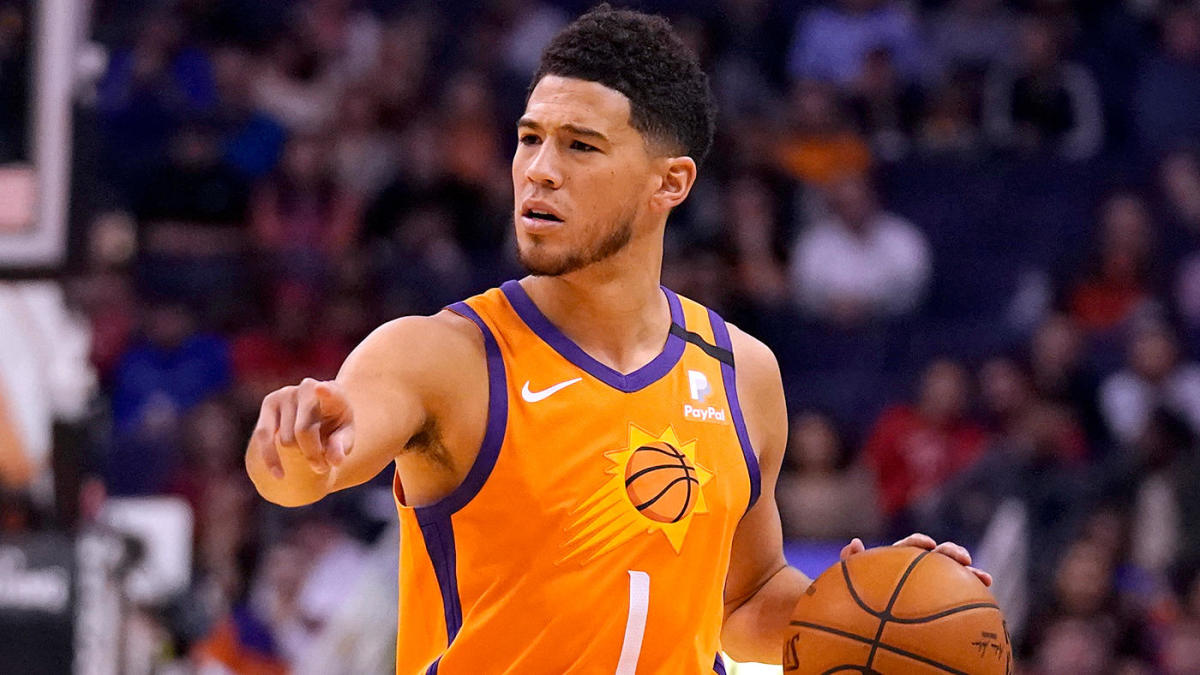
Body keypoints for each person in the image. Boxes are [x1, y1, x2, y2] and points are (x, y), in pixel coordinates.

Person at [244, 6, 989, 672]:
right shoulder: (443, 354)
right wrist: (298, 445)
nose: (539, 171)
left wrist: (870, 611)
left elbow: (743, 598)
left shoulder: (742, 370)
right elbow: (308, 463)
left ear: (670, 183)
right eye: (530, 138)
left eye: (580, 146)